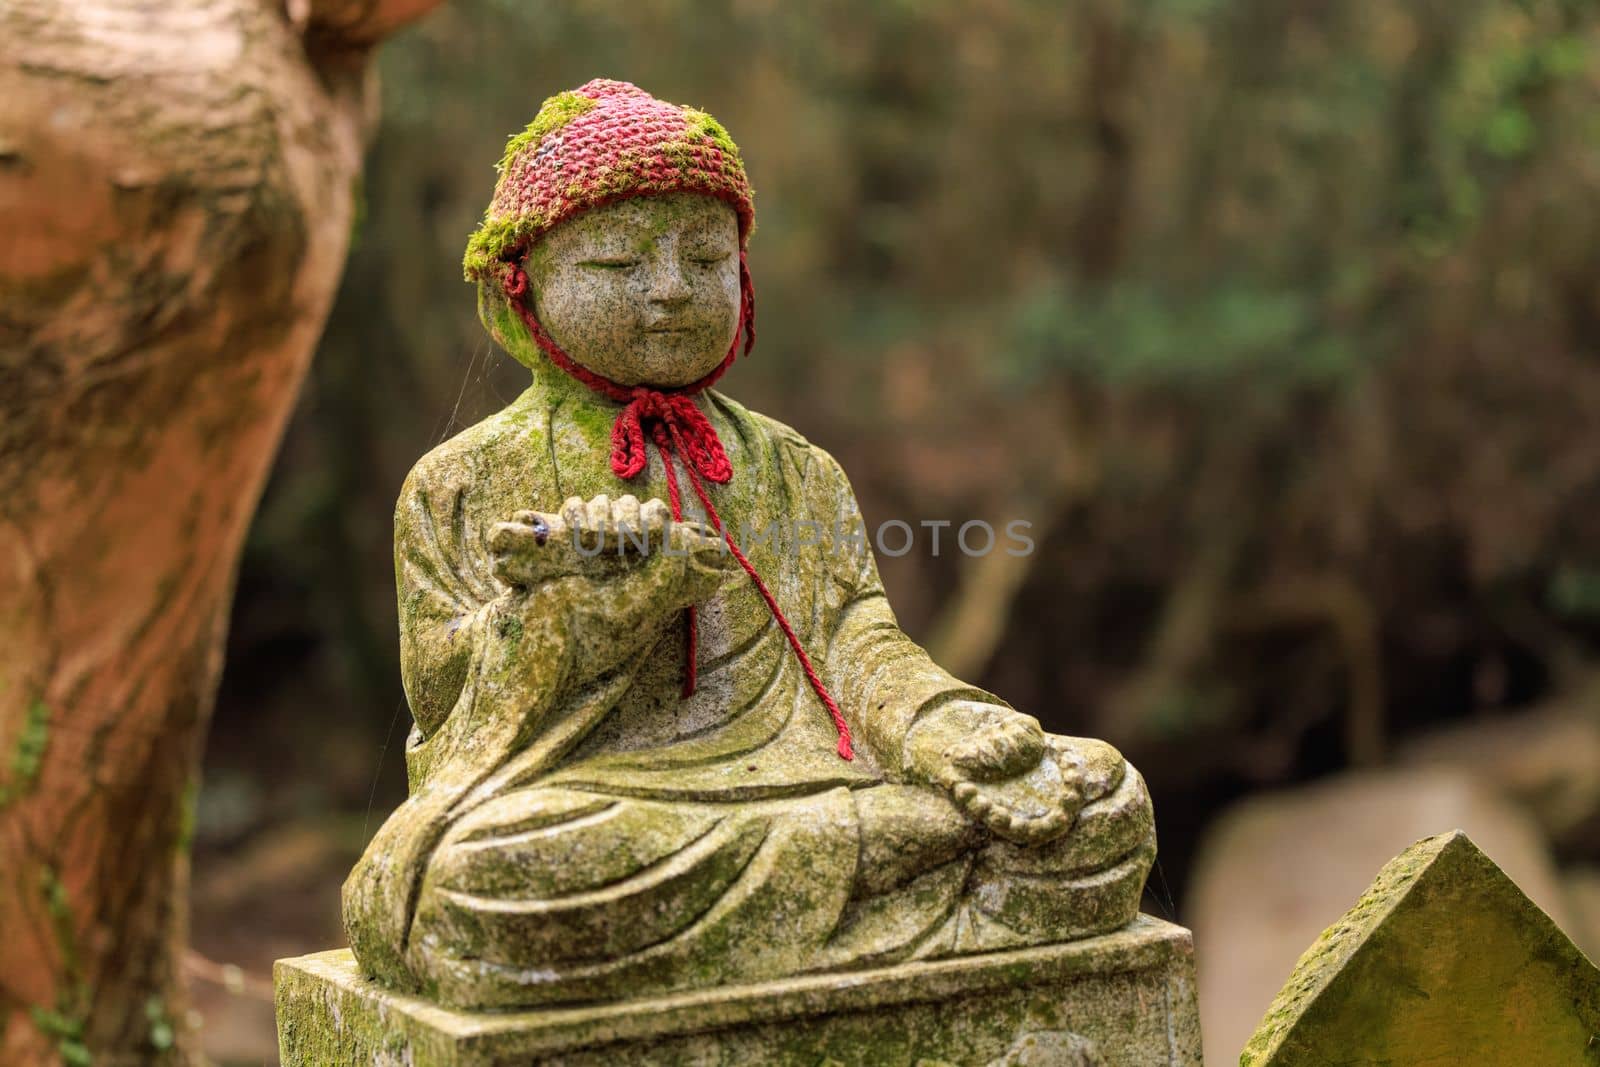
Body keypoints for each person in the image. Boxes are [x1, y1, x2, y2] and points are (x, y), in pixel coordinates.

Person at [343, 79, 1154, 1011]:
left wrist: (937, 724)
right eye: (616, 264)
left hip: (812, 785)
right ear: (514, 289)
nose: (672, 290)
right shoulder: (459, 483)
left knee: (1102, 801)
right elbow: (448, 718)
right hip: (606, 805)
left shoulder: (795, 470)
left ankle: (854, 871)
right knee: (483, 885)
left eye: (705, 257)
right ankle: (880, 881)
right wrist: (580, 610)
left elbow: (856, 639)